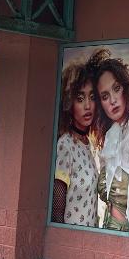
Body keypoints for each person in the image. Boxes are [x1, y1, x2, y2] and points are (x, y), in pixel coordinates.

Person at [52, 58, 101, 226]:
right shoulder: (65, 145)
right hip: (70, 237)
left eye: (92, 97)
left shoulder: (88, 144)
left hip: (88, 235)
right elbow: (57, 212)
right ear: (69, 104)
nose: (88, 105)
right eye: (80, 98)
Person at [93, 52, 129, 231]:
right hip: (109, 226)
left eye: (116, 88)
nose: (112, 100)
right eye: (105, 96)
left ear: (125, 88)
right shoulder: (110, 135)